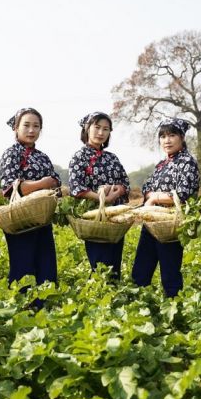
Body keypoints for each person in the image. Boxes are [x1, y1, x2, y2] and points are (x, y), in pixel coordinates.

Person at [131, 118, 200, 297]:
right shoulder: (162, 164)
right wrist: (153, 196)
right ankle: (139, 308)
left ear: (182, 137)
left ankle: (175, 311)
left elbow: (183, 193)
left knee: (170, 274)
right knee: (140, 271)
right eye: (162, 136)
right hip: (151, 222)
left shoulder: (187, 162)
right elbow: (146, 189)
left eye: (171, 135)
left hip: (171, 223)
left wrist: (155, 197)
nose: (166, 140)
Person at [0, 107, 60, 288]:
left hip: (42, 220)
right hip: (20, 221)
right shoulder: (11, 154)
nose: (32, 130)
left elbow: (56, 182)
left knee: (47, 268)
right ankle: (21, 311)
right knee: (23, 269)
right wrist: (42, 183)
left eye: (36, 126)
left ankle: (44, 309)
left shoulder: (43, 157)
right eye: (26, 125)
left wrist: (41, 184)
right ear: (16, 127)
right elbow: (12, 188)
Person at [68, 111, 130, 278]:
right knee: (99, 263)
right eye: (97, 127)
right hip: (94, 217)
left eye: (106, 129)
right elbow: (76, 188)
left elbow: (125, 183)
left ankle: (114, 295)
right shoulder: (79, 157)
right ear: (87, 129)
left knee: (115, 262)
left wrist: (118, 189)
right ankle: (100, 296)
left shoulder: (112, 158)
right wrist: (103, 198)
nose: (101, 133)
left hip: (115, 217)